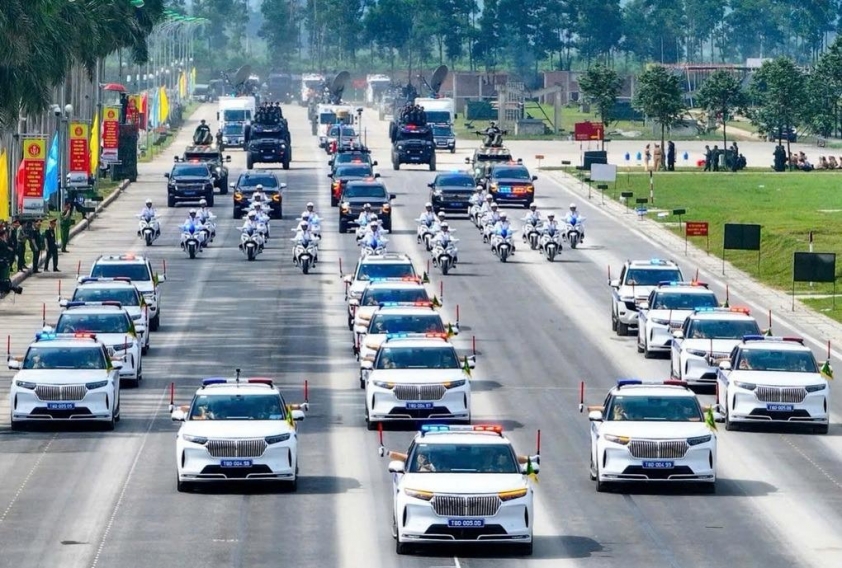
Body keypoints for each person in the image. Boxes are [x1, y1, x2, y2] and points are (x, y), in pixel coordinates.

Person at [0, 225, 22, 295]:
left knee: (4, 277)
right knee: (2, 278)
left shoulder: (3, 241)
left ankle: (9, 288)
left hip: (4, 261)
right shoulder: (1, 242)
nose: (6, 235)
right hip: (1, 261)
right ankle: (9, 288)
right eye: (5, 234)